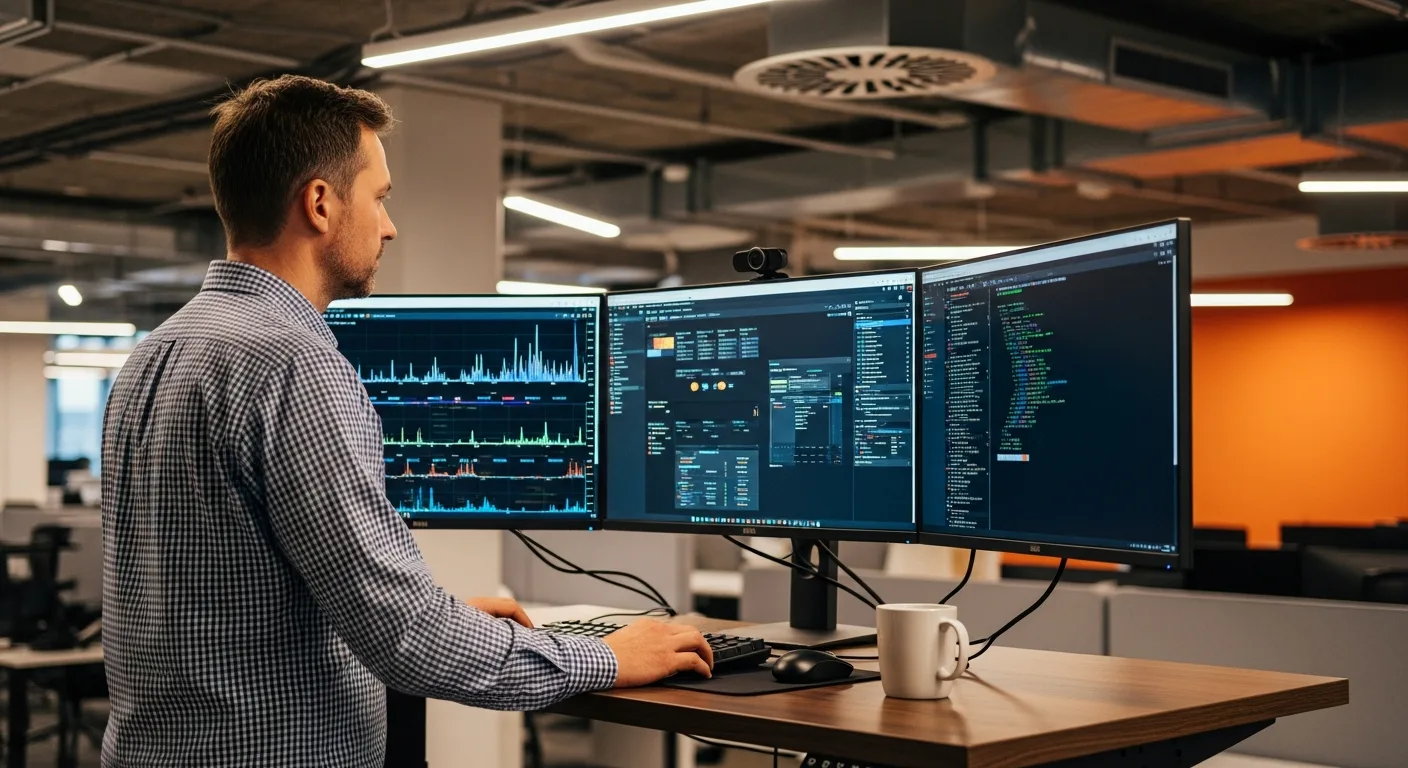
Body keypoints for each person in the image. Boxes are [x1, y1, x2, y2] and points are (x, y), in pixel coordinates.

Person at [100, 75, 712, 768]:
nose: (389, 225)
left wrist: (440, 616)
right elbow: (405, 639)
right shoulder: (295, 364)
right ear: (320, 204)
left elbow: (222, 600)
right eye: (380, 197)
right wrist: (607, 657)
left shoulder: (155, 353)